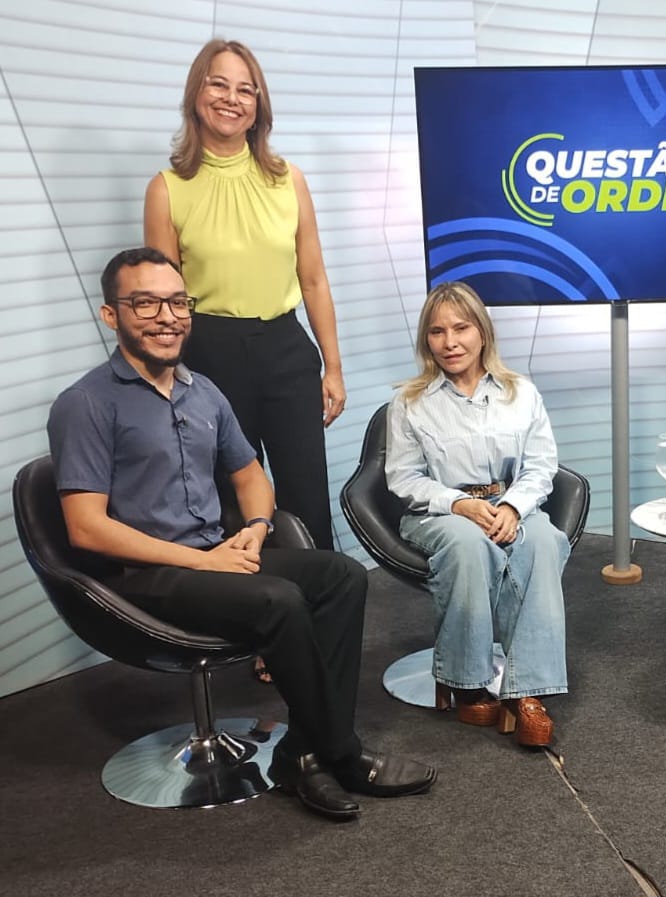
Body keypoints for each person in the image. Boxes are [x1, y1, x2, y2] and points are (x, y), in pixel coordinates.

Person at [47, 247, 436, 821]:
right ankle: (343, 754)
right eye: (145, 303)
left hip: (216, 556)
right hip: (141, 576)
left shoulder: (202, 391)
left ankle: (301, 754)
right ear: (112, 315)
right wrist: (200, 562)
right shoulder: (86, 403)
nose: (166, 316)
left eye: (177, 301)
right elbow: (86, 528)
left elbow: (251, 476)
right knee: (279, 600)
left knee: (341, 576)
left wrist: (256, 529)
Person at [143, 38, 343, 556]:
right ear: (196, 95)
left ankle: (321, 616)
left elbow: (315, 279)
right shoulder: (167, 188)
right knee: (234, 499)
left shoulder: (287, 180)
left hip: (286, 347)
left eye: (245, 89)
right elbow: (164, 303)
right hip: (209, 354)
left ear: (259, 106)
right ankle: (259, 622)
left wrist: (333, 367)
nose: (232, 98)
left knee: (306, 496)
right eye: (219, 84)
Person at [385, 282, 571, 748]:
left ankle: (527, 693)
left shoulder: (521, 392)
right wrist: (461, 504)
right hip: (439, 512)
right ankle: (466, 682)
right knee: (469, 544)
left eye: (461, 328)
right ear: (426, 341)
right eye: (436, 332)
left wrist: (512, 505)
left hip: (510, 504)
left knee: (544, 541)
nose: (450, 342)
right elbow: (403, 479)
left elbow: (542, 465)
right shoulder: (409, 402)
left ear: (482, 332)